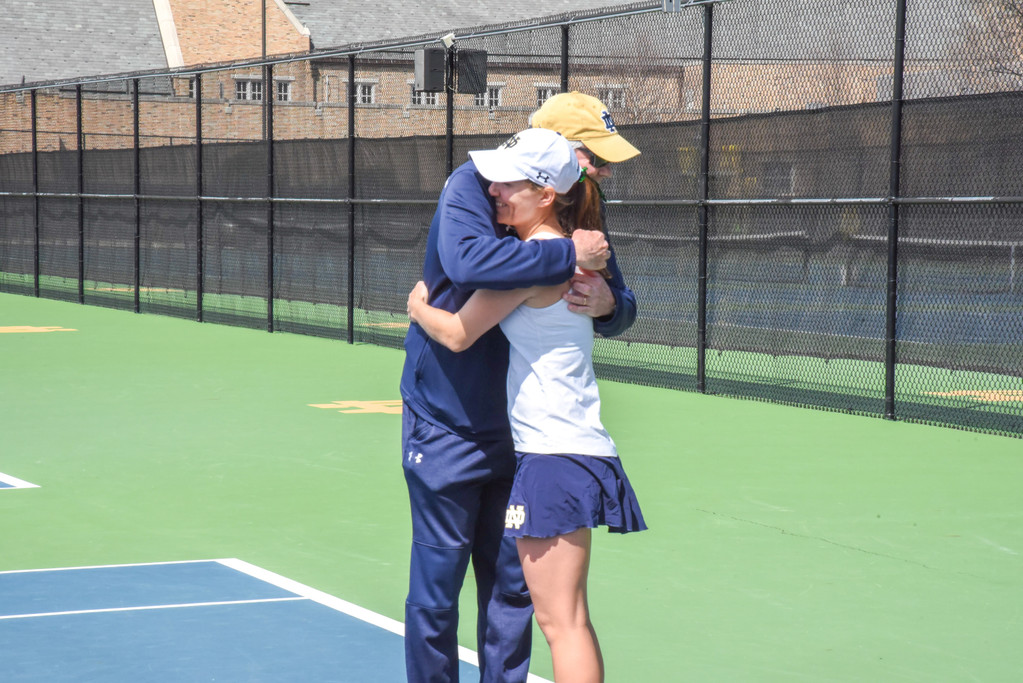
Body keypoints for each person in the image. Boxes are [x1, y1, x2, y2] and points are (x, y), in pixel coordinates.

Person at [400, 93, 640, 683]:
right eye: (594, 156)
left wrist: (611, 304)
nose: (603, 171)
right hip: (456, 425)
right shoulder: (474, 187)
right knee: (446, 592)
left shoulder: (571, 224)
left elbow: (459, 329)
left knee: (540, 610)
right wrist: (568, 256)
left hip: (537, 445)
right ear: (554, 153)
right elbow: (468, 264)